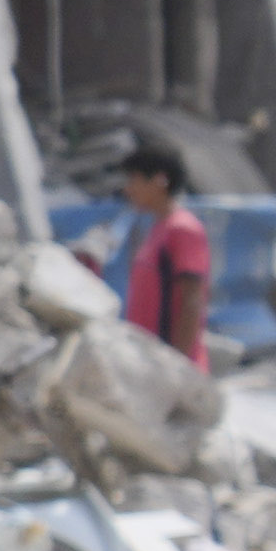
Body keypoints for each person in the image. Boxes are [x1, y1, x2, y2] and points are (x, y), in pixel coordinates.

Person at [98, 136, 215, 378]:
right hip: (151, 367)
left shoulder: (183, 230)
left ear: (160, 181)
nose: (128, 190)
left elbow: (191, 300)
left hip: (171, 373)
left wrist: (179, 366)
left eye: (135, 180)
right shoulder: (157, 229)